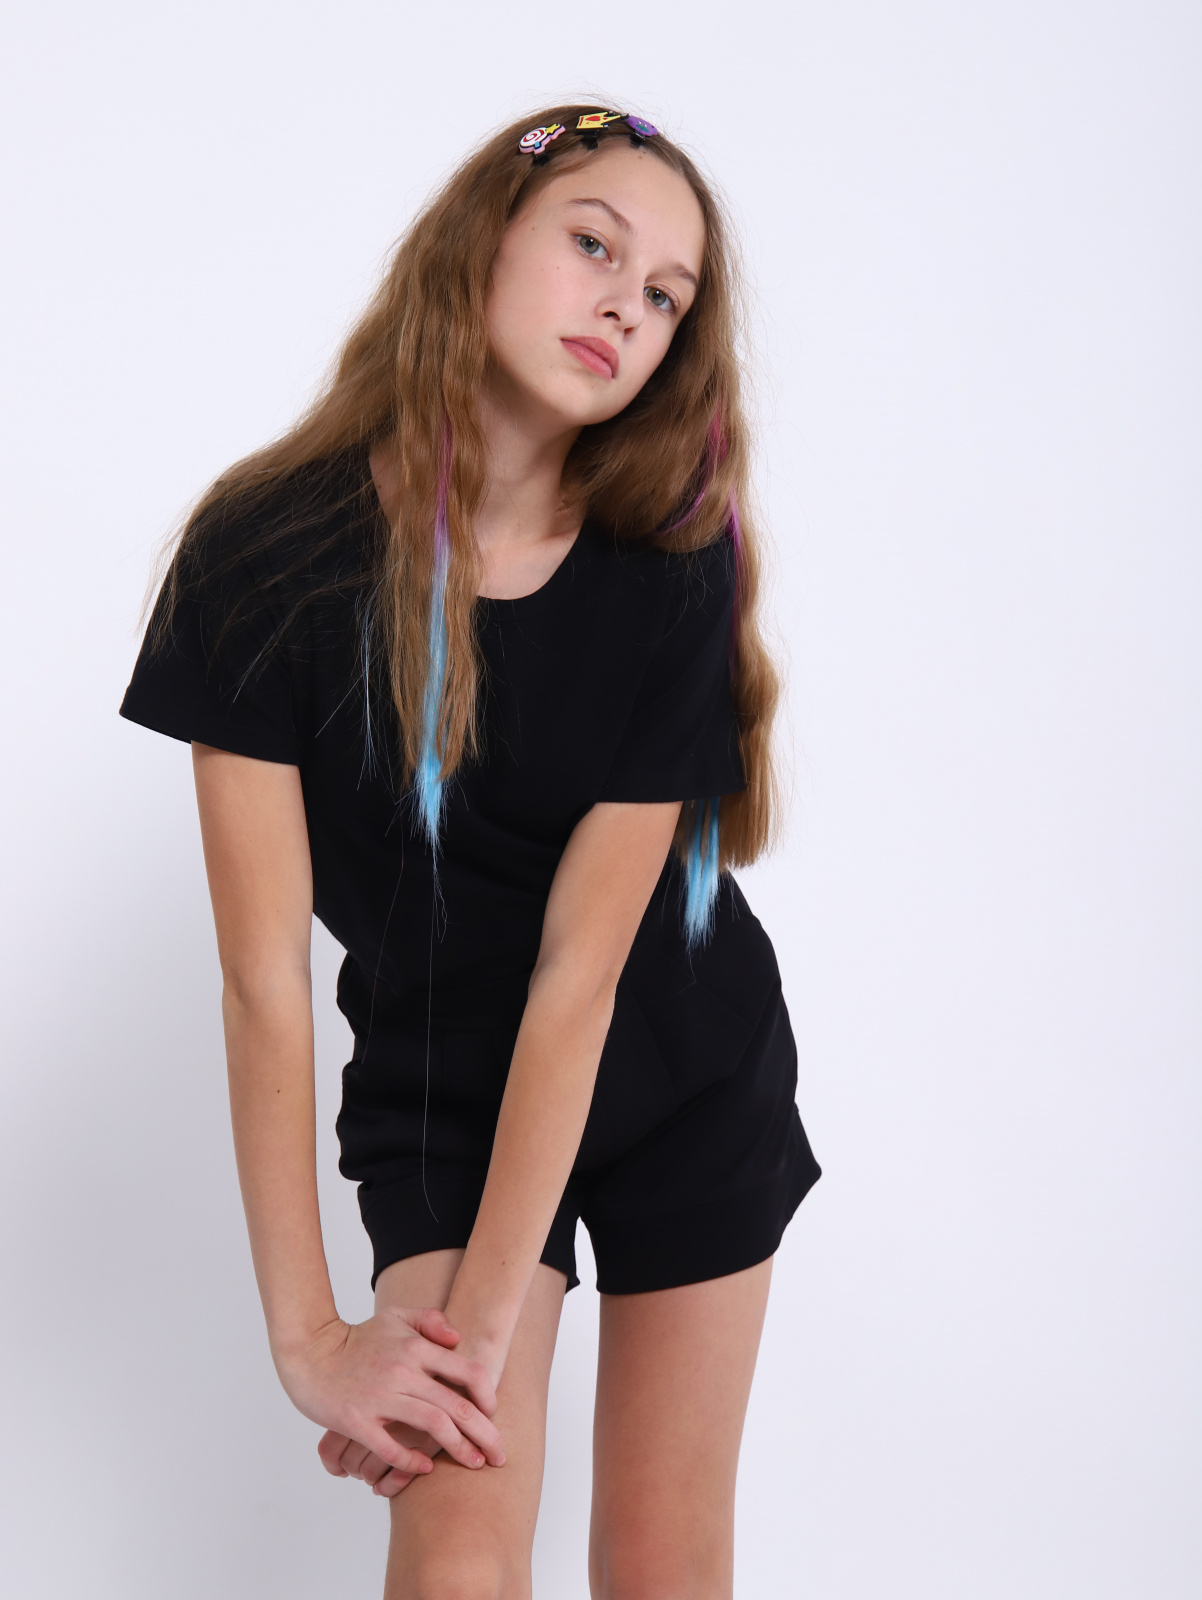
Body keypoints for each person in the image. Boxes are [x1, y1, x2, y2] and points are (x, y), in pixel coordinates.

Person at [121, 104, 821, 1600]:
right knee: (455, 1555)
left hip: (678, 1065)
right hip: (444, 1082)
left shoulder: (671, 561)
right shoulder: (261, 555)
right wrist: (312, 1341)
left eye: (665, 296)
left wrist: (484, 1333)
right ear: (481, 240)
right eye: (595, 247)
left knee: (662, 1560)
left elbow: (580, 978)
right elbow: (262, 982)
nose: (625, 308)